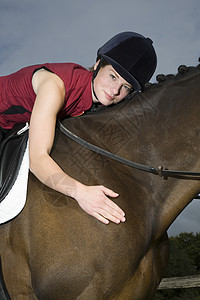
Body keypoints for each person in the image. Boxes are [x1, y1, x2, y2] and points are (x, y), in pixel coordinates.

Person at [0, 31, 157, 225]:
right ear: (98, 65)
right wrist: (81, 193)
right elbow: (38, 161)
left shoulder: (96, 99)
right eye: (113, 77)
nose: (115, 90)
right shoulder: (54, 87)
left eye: (126, 87)